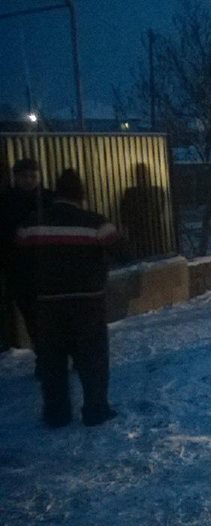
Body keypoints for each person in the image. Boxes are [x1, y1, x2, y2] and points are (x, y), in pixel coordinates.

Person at [17, 169, 130, 428]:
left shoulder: (34, 223)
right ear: (81, 194)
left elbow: (20, 256)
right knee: (92, 358)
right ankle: (95, 409)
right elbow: (123, 252)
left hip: (47, 302)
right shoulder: (95, 222)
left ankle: (56, 414)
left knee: (52, 360)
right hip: (87, 301)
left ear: (56, 192)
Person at [0, 158, 54, 360]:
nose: (29, 180)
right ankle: (44, 357)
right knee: (33, 318)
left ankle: (54, 355)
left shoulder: (49, 198)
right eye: (24, 176)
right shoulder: (6, 202)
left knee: (51, 317)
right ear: (16, 177)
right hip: (20, 270)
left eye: (33, 175)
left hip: (48, 268)